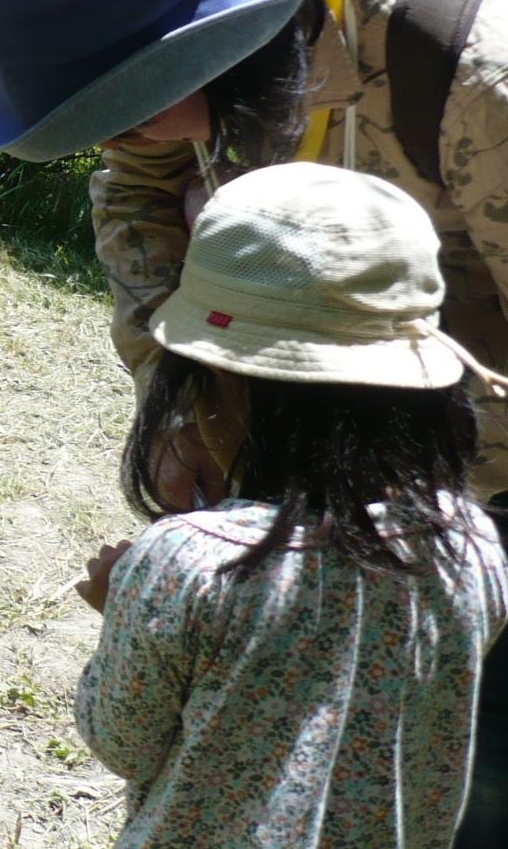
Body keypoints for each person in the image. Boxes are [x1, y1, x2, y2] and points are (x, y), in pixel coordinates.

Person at [0, 0, 508, 843]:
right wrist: (185, 404)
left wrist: (392, 529)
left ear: (223, 36)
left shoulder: (478, 75)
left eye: (124, 100)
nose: (110, 133)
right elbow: (136, 186)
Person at [74, 162, 507, 846]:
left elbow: (122, 739)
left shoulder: (187, 565)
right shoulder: (471, 543)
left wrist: (121, 607)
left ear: (219, 380)